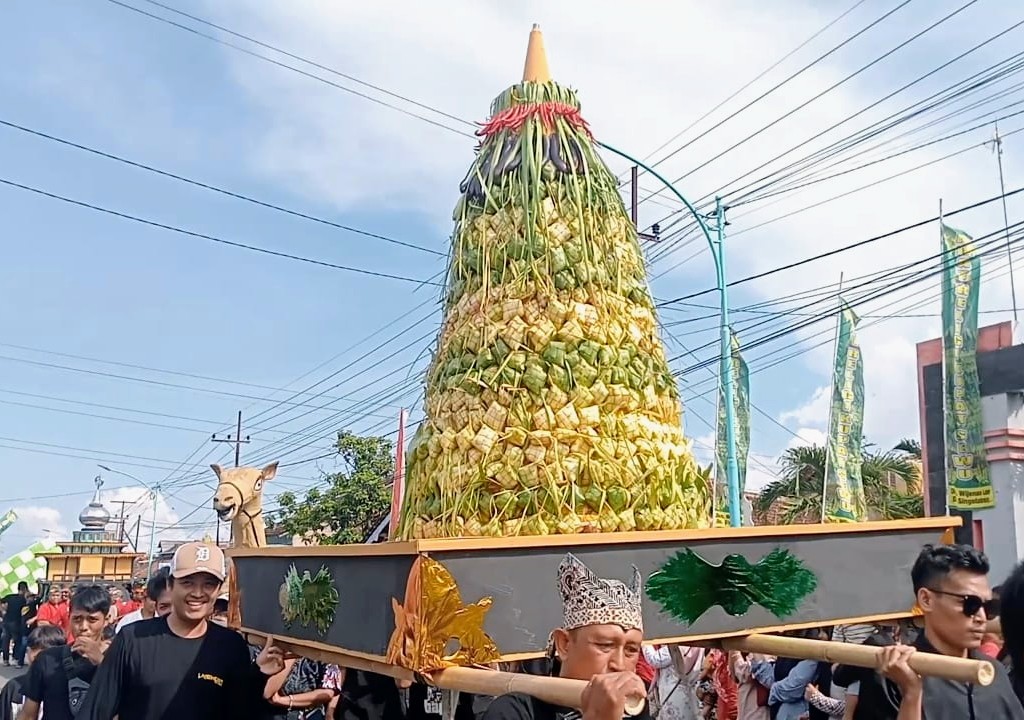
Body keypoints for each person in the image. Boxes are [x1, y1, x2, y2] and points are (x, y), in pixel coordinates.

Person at [77, 541, 285, 719]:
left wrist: (258, 674)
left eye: (208, 584)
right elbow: (96, 710)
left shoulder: (231, 645)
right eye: (187, 582)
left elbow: (240, 713)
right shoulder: (133, 639)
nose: (197, 593)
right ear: (171, 584)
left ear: (219, 588)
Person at [850, 544, 1024, 720]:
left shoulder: (994, 673)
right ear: (926, 599)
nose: (981, 617)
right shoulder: (893, 676)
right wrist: (911, 695)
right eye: (969, 604)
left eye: (988, 607)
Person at [481, 552, 649, 720]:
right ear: (564, 644)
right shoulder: (515, 712)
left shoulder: (635, 709)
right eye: (605, 645)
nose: (619, 665)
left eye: (631, 650)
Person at [17, 584, 110, 720]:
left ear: (106, 620)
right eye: (77, 619)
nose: (83, 627)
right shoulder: (48, 659)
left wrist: (101, 662)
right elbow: (28, 714)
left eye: (92, 620)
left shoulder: (120, 659)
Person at [0, 625, 67, 720]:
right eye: (33, 649)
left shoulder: (67, 689)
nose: (37, 655)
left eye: (44, 651)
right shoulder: (14, 687)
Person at [643, 645, 703, 720]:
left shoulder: (676, 645)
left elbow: (655, 659)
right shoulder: (697, 644)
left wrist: (645, 643)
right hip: (688, 690)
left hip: (674, 691)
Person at [115, 569, 171, 633]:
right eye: (152, 600)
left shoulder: (163, 622)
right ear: (145, 596)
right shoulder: (128, 621)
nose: (154, 604)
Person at [2, 582, 29, 668]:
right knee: (18, 640)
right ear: (25, 589)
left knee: (6, 640)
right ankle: (15, 657)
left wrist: (3, 612)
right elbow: (25, 611)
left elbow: (1, 602)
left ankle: (5, 660)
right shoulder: (23, 599)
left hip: (6, 621)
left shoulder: (10, 596)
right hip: (15, 622)